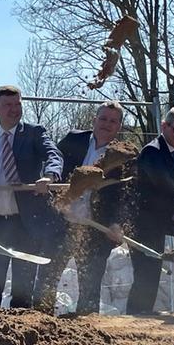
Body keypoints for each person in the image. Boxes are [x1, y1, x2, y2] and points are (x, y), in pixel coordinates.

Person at [0, 86, 64, 310]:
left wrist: (49, 175)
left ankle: (20, 336)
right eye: (8, 105)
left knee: (23, 288)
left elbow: (53, 154)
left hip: (26, 224)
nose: (14, 110)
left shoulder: (34, 133)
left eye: (18, 104)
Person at [51, 101, 129, 314]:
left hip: (96, 227)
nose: (107, 124)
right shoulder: (73, 140)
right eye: (103, 118)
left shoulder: (124, 156)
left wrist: (116, 223)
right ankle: (40, 320)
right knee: (49, 276)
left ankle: (87, 328)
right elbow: (53, 166)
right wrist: (57, 196)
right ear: (94, 120)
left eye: (113, 121)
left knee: (90, 284)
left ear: (119, 126)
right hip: (62, 222)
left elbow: (126, 195)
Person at [128, 107, 174, 314]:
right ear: (164, 126)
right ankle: (134, 320)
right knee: (145, 276)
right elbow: (164, 186)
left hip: (163, 225)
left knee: (153, 276)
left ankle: (142, 318)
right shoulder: (152, 152)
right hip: (145, 225)